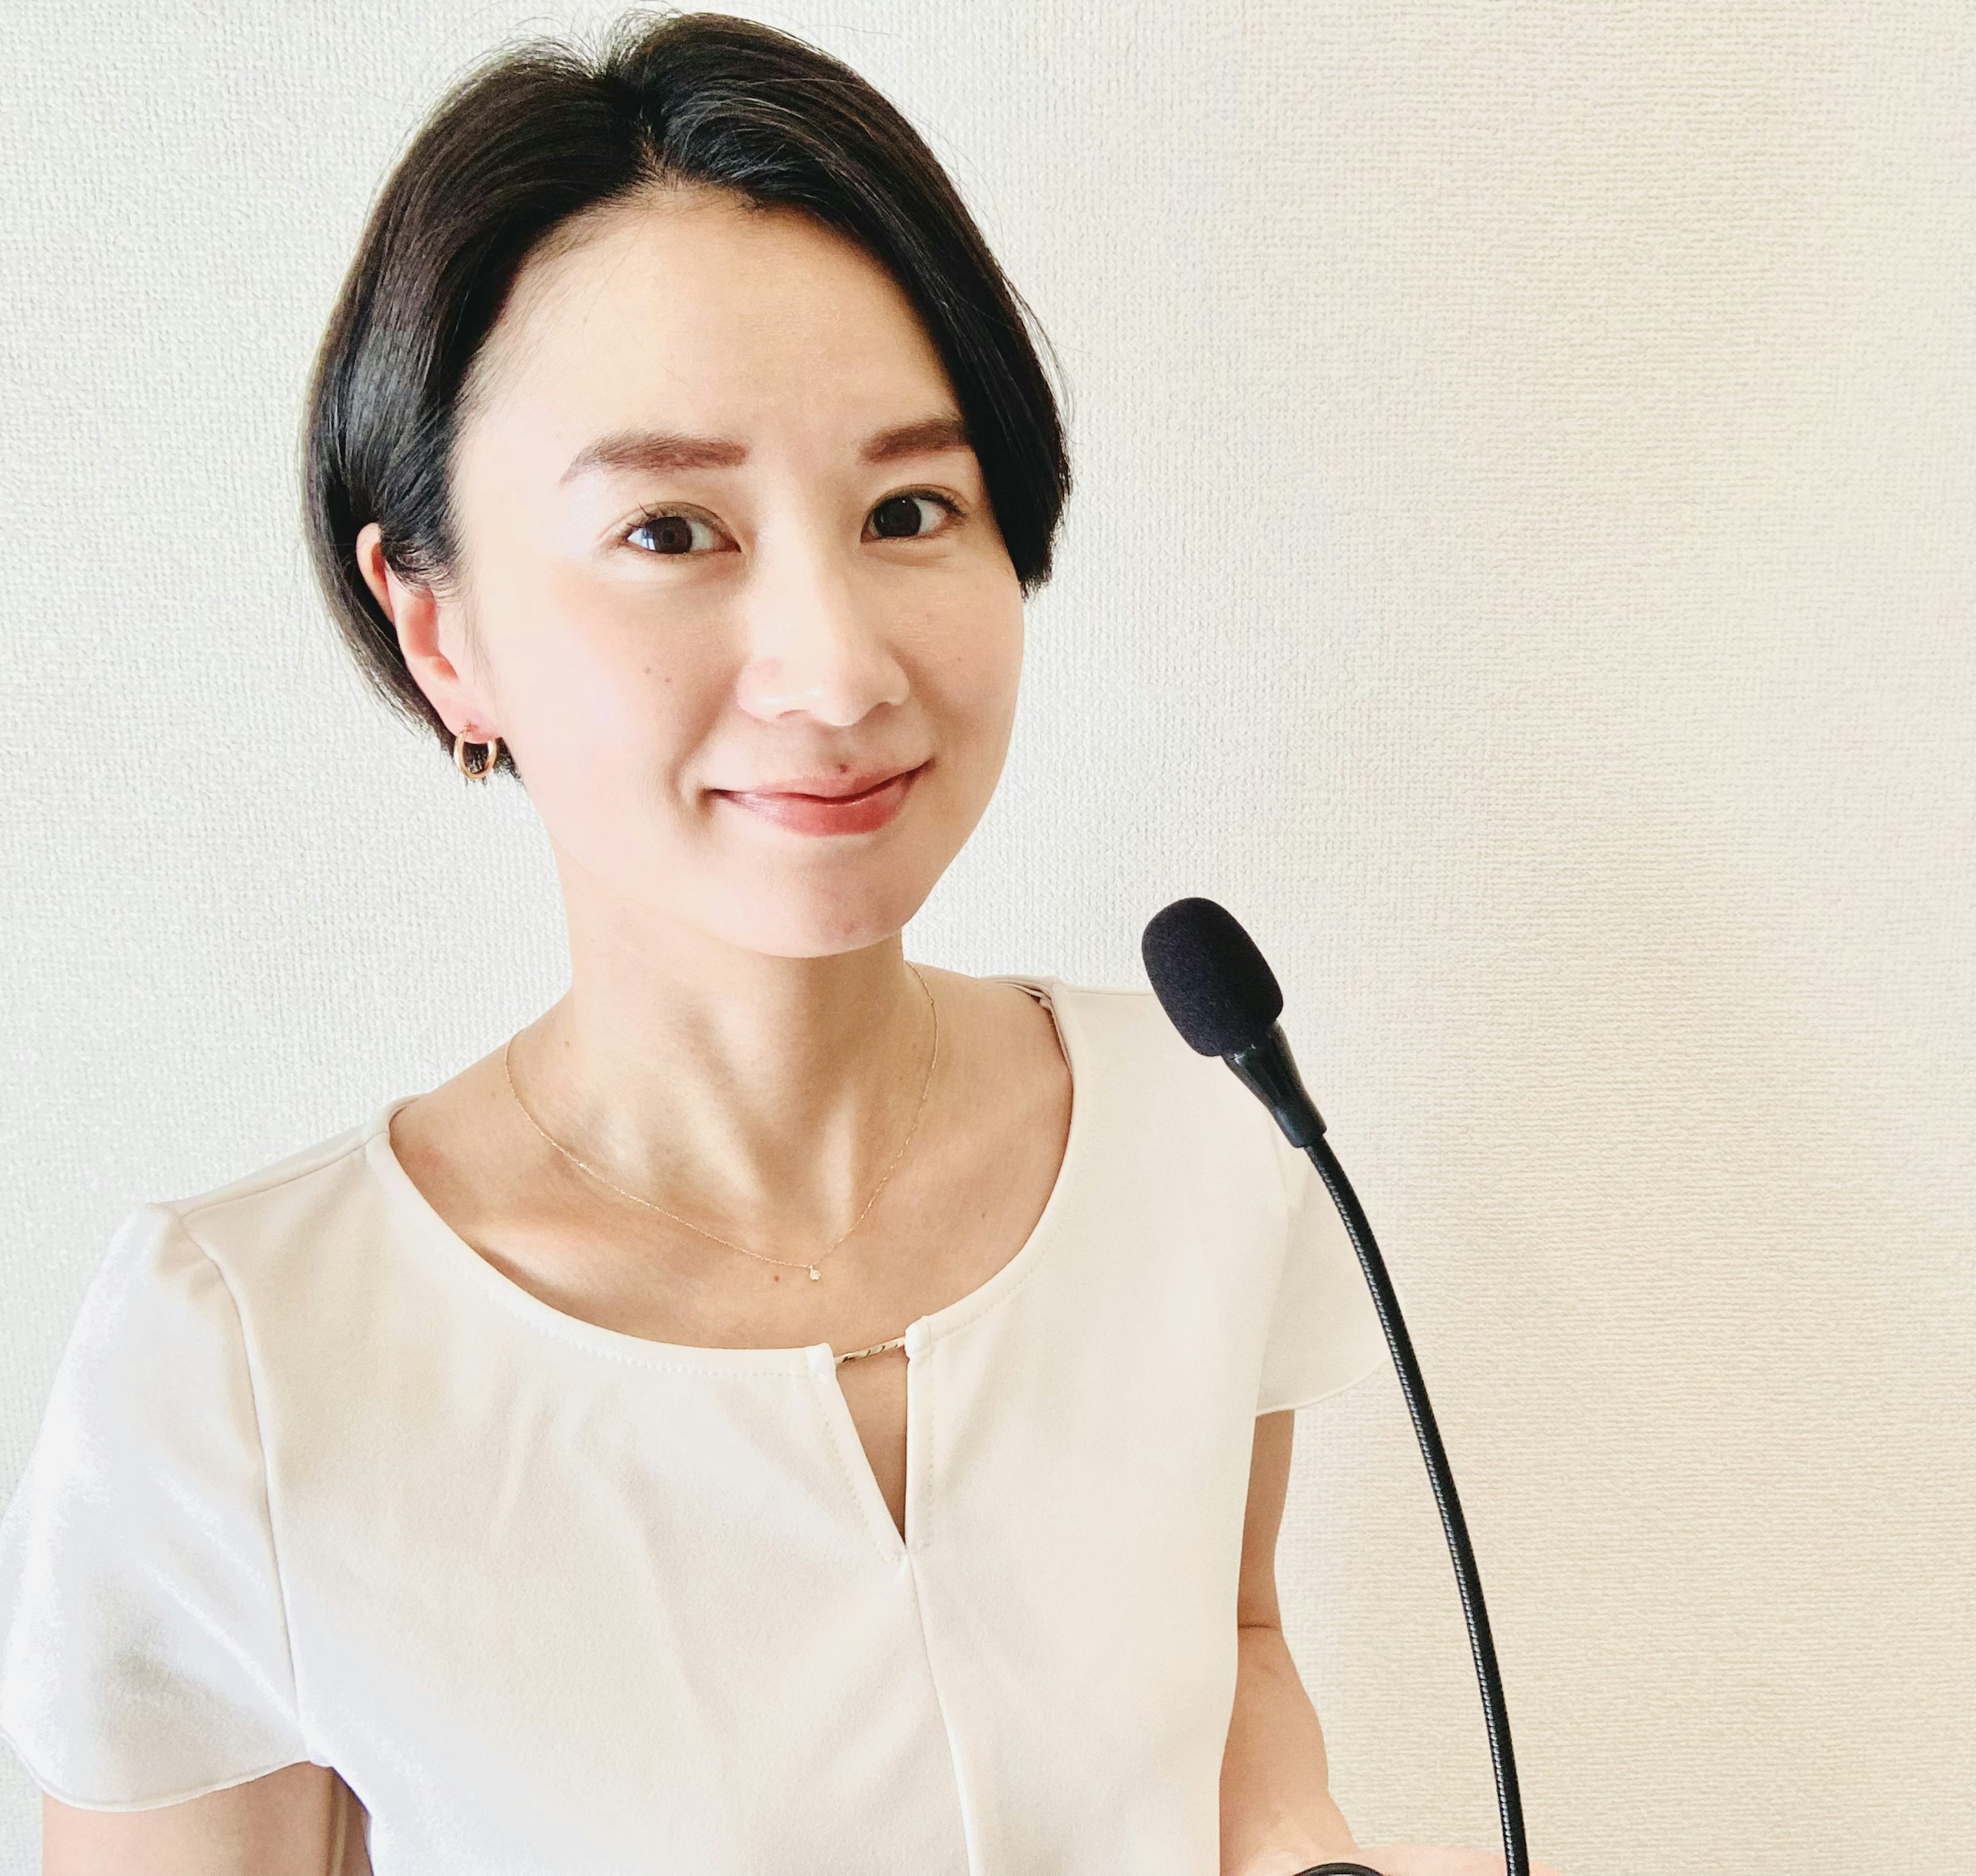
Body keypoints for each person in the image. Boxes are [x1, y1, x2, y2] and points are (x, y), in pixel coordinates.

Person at [0, 13, 1549, 1875]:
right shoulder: (238, 1362)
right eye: (673, 530)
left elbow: (1233, 1664)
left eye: (911, 508)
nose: (835, 671)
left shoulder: (1205, 1127)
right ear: (440, 633)